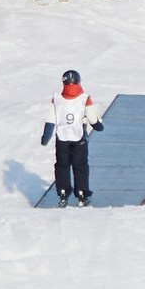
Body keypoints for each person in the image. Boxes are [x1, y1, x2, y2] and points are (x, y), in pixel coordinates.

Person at [41, 69, 100, 206]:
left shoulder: (57, 98)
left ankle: (63, 193)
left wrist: (46, 137)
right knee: (80, 166)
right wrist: (98, 126)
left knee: (62, 165)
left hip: (62, 138)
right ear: (78, 82)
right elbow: (92, 118)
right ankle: (82, 194)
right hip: (79, 137)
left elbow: (50, 119)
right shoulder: (85, 98)